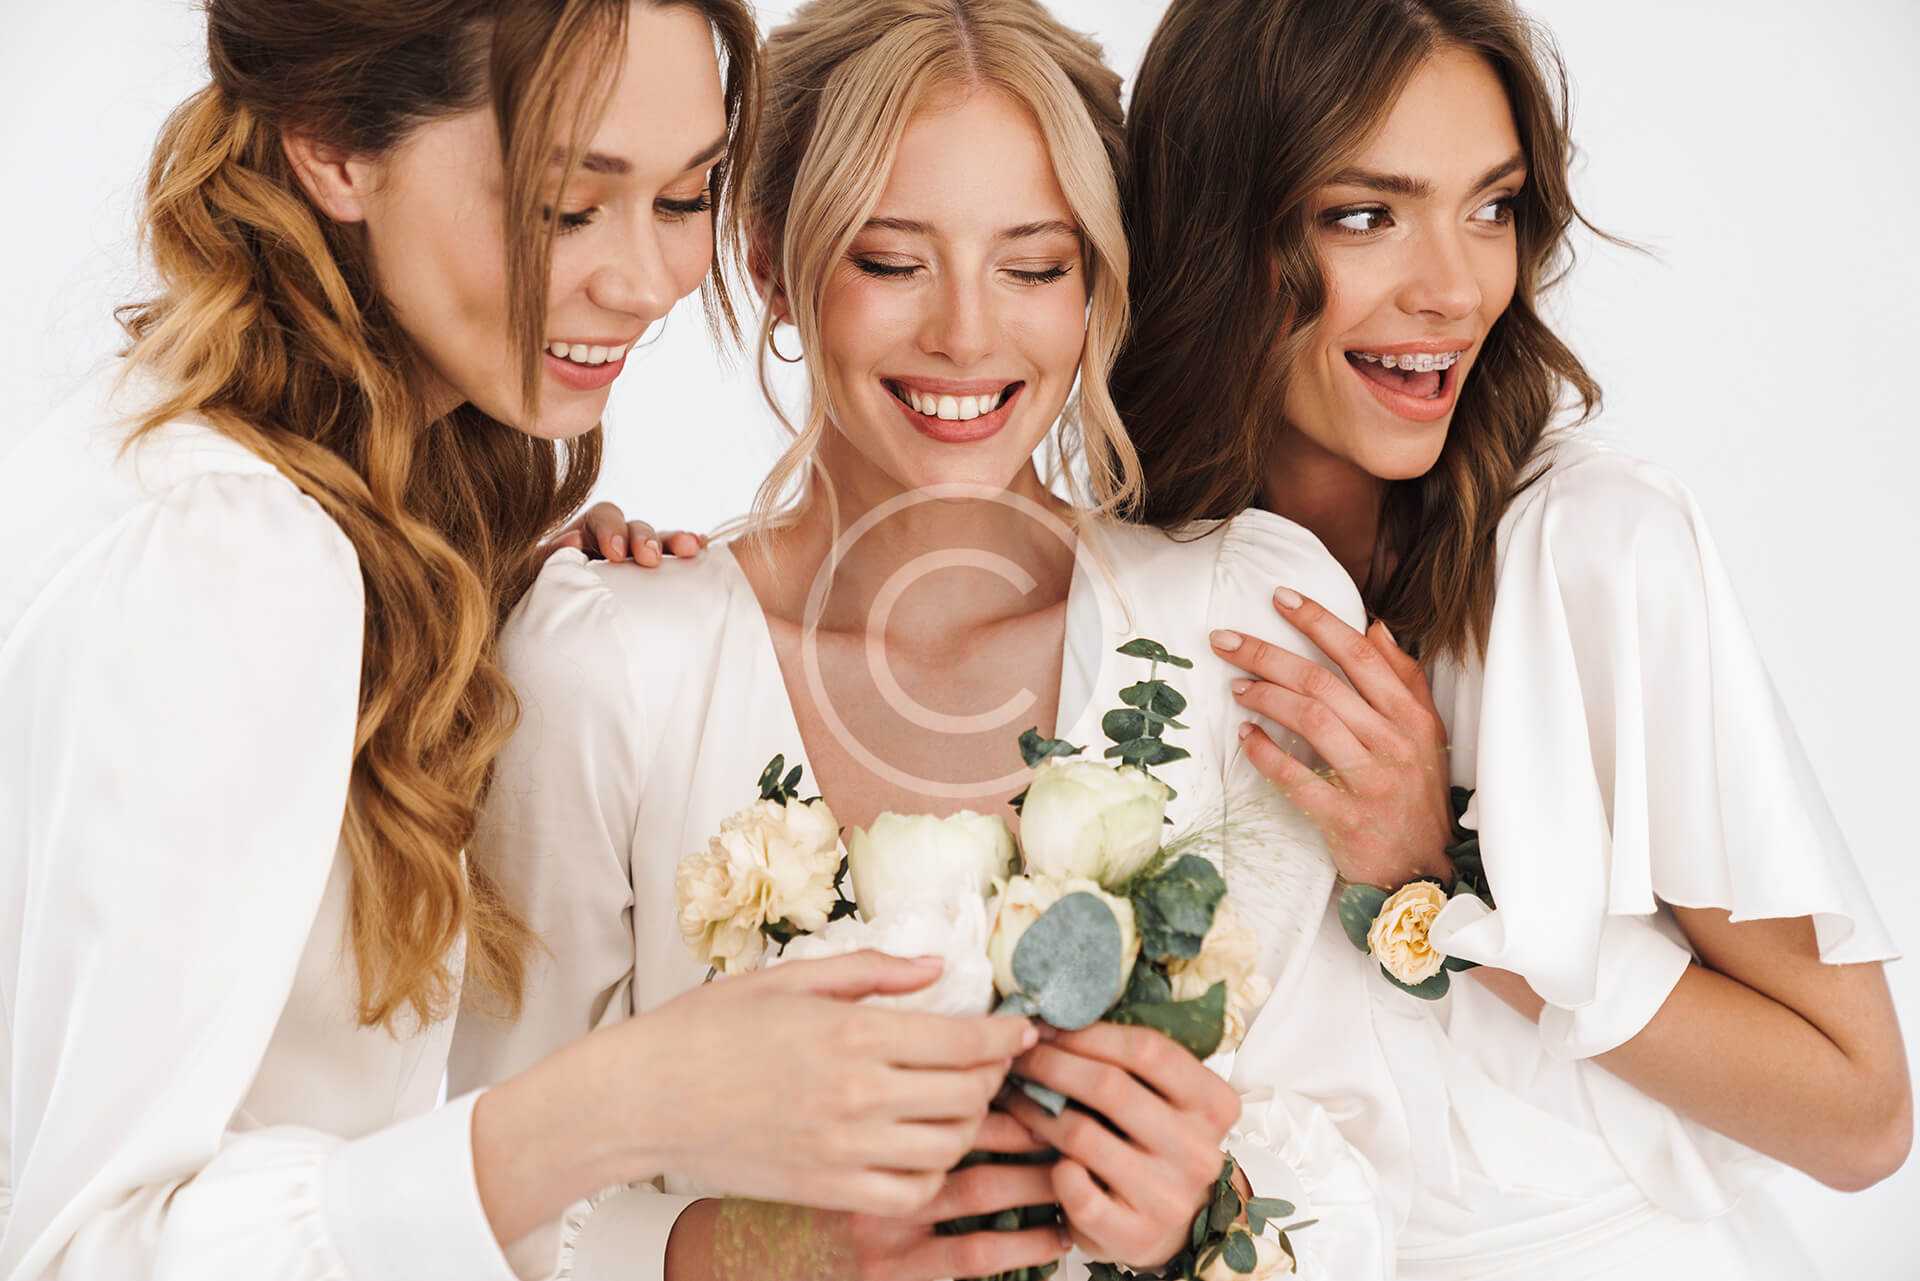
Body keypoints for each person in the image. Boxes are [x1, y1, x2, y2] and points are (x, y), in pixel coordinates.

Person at [0, 4, 1040, 1279]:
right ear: (333, 145)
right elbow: (85, 1254)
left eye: (685, 198)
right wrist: (622, 1102)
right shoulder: (228, 552)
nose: (648, 280)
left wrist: (483, 607)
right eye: (568, 206)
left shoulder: (334, 517)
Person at [452, 1, 1396, 1278]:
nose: (965, 332)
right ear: (773, 263)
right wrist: (780, 1253)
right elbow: (491, 1199)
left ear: (1097, 282)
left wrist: (1200, 1215)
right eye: (893, 262)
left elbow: (1372, 1174)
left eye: (1035, 266)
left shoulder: (1243, 626)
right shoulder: (612, 662)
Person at [1109, 1, 1912, 1276]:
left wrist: (1438, 880)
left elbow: (1861, 1115)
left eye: (1492, 206)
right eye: (1363, 215)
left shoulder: (1594, 551)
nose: (1454, 288)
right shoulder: (1123, 583)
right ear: (1212, 230)